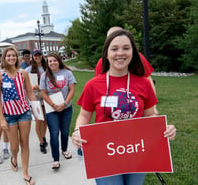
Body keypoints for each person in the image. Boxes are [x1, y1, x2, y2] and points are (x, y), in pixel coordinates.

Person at [71, 29, 177, 185]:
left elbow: (150, 115)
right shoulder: (93, 85)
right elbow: (84, 115)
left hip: (136, 150)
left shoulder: (143, 83)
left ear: (133, 52)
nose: (120, 53)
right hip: (105, 151)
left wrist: (164, 128)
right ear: (106, 54)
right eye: (114, 49)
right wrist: (77, 130)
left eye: (126, 48)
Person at [0, 46, 36, 185]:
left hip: (24, 112)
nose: (11, 58)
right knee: (14, 146)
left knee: (25, 143)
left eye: (13, 55)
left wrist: (36, 109)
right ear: (4, 58)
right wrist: (1, 119)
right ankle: (14, 157)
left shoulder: (23, 73)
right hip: (9, 115)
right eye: (8, 56)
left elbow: (30, 93)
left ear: (17, 57)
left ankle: (25, 172)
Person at [95, 26, 158, 115]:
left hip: (136, 105)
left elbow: (148, 80)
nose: (120, 53)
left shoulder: (138, 59)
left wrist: (153, 107)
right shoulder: (101, 63)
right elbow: (98, 89)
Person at [40, 53, 77, 170]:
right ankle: (55, 159)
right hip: (52, 109)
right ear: (47, 63)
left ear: (59, 61)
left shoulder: (67, 73)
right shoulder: (44, 76)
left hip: (66, 108)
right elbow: (43, 92)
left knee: (65, 131)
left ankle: (64, 150)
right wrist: (53, 105)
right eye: (49, 61)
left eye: (54, 60)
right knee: (54, 134)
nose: (52, 63)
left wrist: (64, 104)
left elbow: (72, 90)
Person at [25, 49, 48, 154]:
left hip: (47, 97)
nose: (37, 57)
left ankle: (43, 136)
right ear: (32, 57)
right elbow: (24, 86)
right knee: (39, 119)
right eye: (35, 55)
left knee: (45, 120)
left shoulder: (47, 68)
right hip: (35, 97)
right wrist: (33, 87)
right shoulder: (28, 70)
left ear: (42, 56)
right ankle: (41, 142)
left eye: (39, 55)